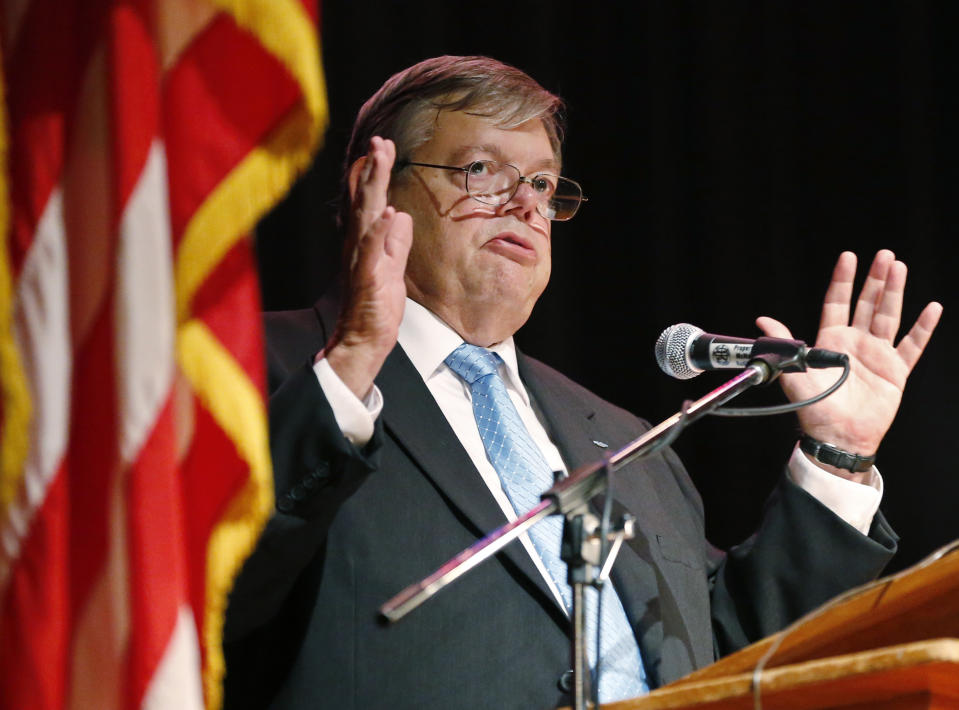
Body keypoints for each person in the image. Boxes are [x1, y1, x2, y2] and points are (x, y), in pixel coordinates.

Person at [222, 56, 942, 710]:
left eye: (539, 182)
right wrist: (352, 355)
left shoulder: (629, 442)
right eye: (480, 170)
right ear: (372, 188)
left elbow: (739, 658)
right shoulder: (261, 367)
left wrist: (836, 456)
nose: (525, 204)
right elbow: (212, 597)